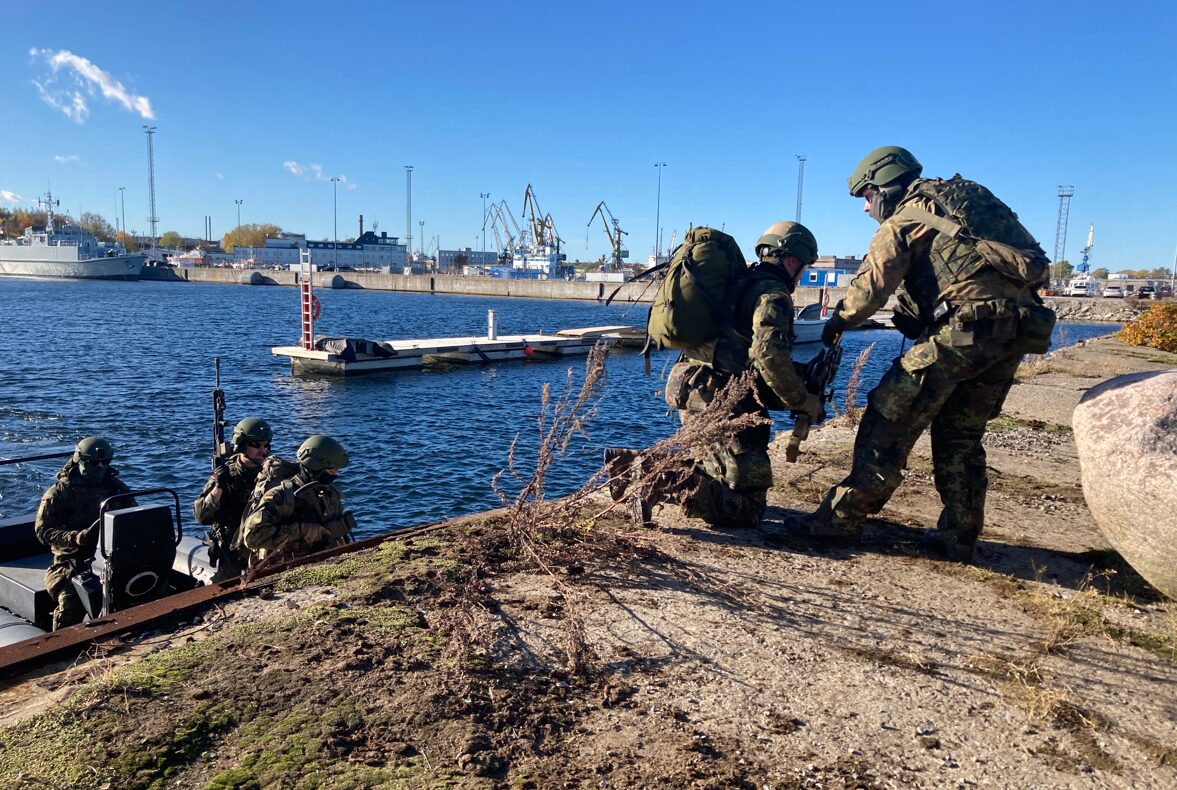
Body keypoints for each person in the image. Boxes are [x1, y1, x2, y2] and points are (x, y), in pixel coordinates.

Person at [797, 146, 1054, 561]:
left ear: (884, 186)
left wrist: (834, 324)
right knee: (961, 435)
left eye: (866, 196)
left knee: (888, 417)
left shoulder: (905, 219)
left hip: (962, 330)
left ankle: (839, 521)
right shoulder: (965, 198)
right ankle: (959, 535)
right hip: (1013, 332)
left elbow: (866, 294)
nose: (865, 208)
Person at [608, 221, 824, 529]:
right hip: (721, 397)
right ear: (791, 260)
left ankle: (635, 466)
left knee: (714, 473)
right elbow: (768, 356)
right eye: (802, 267)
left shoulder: (739, 280)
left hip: (690, 383)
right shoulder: (772, 295)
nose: (800, 275)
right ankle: (657, 475)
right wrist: (802, 400)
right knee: (746, 509)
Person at [34, 436, 132, 630]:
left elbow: (131, 516)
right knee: (72, 600)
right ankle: (61, 646)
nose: (100, 466)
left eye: (105, 462)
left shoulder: (117, 489)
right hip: (71, 561)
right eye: (95, 462)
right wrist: (75, 538)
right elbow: (43, 531)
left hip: (110, 555)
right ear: (81, 461)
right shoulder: (60, 493)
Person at [241, 434, 355, 564]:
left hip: (326, 562)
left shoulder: (329, 493)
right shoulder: (282, 496)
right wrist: (301, 530)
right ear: (315, 467)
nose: (335, 474)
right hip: (286, 567)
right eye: (331, 470)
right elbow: (251, 537)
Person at [193, 417, 273, 581]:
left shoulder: (271, 471)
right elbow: (201, 516)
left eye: (265, 445)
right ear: (242, 445)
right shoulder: (227, 473)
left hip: (264, 544)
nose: (262, 450)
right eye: (256, 445)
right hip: (233, 551)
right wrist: (219, 487)